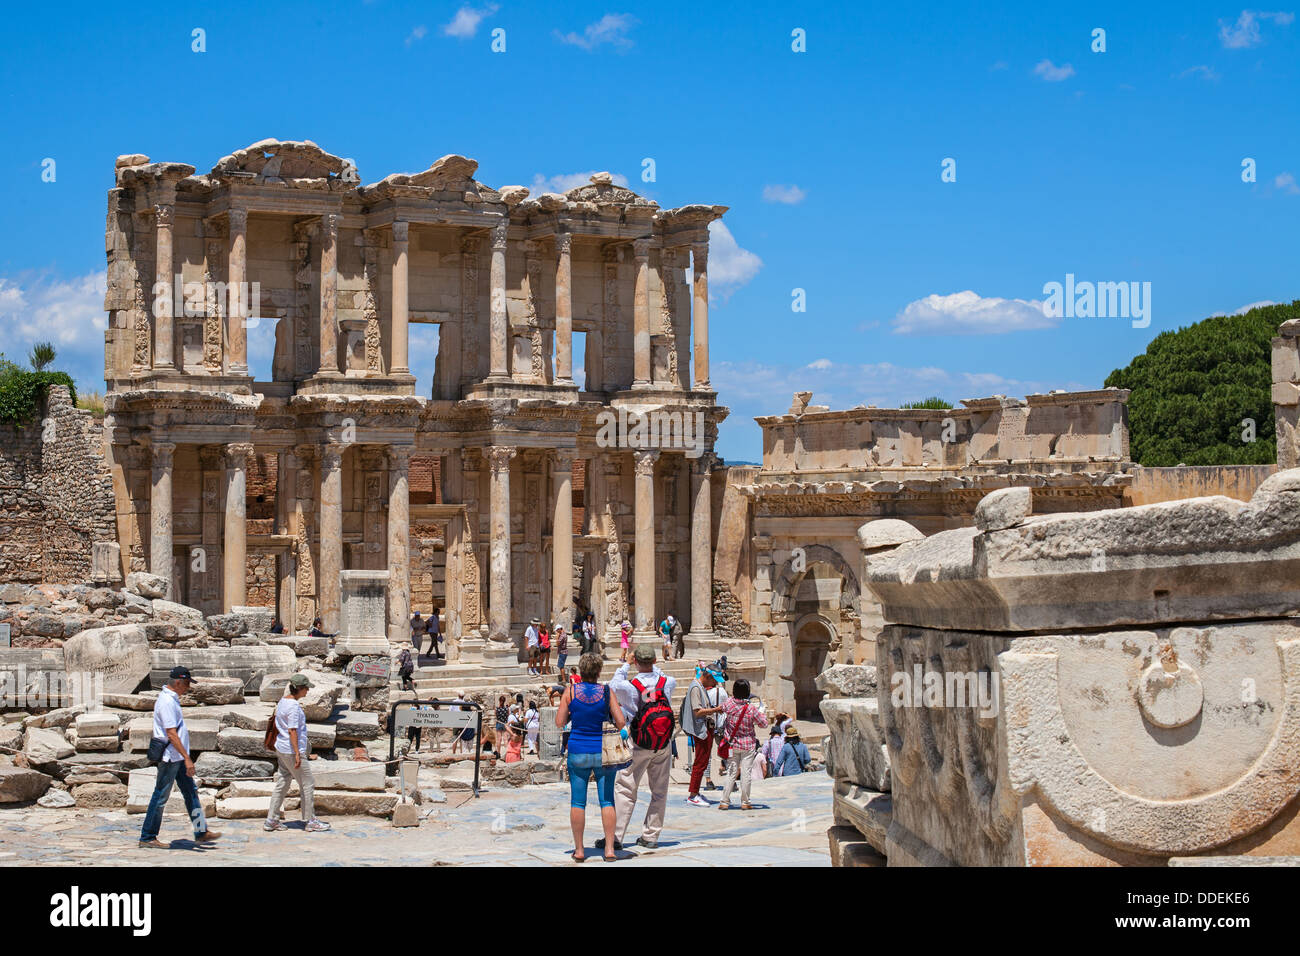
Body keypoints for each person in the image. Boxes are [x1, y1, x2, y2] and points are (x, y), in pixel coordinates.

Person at [138, 667, 221, 848]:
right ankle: (147, 837)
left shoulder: (172, 699)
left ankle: (201, 831)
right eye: (186, 684)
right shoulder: (167, 702)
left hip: (178, 756)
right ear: (177, 682)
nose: (188, 688)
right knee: (160, 796)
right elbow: (171, 733)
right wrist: (187, 758)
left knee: (190, 792)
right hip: (171, 757)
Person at [555, 652, 626, 862]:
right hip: (602, 752)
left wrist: (574, 714)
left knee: (578, 802)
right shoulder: (606, 692)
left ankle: (579, 850)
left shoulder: (570, 691)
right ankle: (610, 849)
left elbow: (559, 722)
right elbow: (621, 721)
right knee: (607, 801)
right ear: (599, 671)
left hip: (577, 750)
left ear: (581, 671)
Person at [609, 644, 677, 850]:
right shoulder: (669, 683)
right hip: (662, 743)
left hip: (637, 742)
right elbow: (661, 675)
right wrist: (651, 666)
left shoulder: (629, 686)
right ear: (655, 661)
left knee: (626, 787)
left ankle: (617, 837)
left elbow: (613, 684)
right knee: (659, 790)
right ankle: (651, 836)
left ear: (635, 662)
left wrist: (625, 665)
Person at [265, 674, 331, 832]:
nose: (308, 690)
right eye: (306, 688)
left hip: (281, 747)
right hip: (291, 750)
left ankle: (271, 819)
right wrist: (297, 753)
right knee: (307, 783)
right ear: (299, 689)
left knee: (283, 781)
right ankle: (310, 820)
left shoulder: (283, 701)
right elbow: (292, 730)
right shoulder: (293, 707)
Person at [680, 659, 727, 806]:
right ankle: (693, 794)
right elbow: (697, 711)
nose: (715, 685)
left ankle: (696, 793)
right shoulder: (695, 688)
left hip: (706, 728)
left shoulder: (700, 686)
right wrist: (715, 710)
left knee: (703, 761)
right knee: (700, 763)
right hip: (701, 730)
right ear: (708, 677)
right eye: (714, 681)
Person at [717, 678, 767, 811]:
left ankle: (724, 801)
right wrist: (762, 712)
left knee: (731, 772)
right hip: (747, 745)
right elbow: (764, 724)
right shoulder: (751, 709)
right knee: (746, 774)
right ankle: (745, 802)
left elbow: (721, 709)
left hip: (731, 745)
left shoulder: (728, 703)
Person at [450, 690, 475, 755]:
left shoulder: (454, 702)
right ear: (463, 696)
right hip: (464, 721)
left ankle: (454, 752)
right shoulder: (466, 703)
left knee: (455, 737)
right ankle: (462, 752)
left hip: (456, 721)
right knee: (462, 737)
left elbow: (450, 711)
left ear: (458, 695)